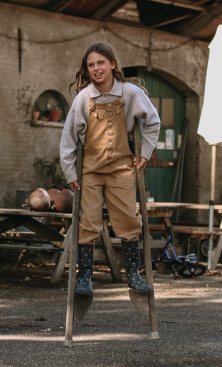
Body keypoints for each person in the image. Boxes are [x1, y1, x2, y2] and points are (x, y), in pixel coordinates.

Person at [59, 42, 161, 296]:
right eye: (91, 65)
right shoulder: (84, 97)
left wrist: (145, 153)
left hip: (122, 168)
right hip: (90, 170)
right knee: (88, 221)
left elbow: (152, 121)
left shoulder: (130, 92)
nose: (96, 69)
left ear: (112, 64)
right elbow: (68, 137)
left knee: (128, 219)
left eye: (100, 63)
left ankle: (133, 275)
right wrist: (70, 172)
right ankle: (84, 277)